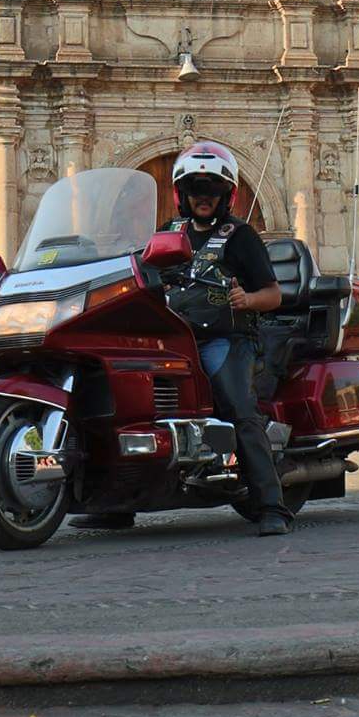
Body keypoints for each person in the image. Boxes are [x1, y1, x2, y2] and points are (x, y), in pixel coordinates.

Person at [76, 141, 290, 537]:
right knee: (124, 404)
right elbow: (140, 273)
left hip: (223, 339)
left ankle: (271, 504)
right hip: (169, 337)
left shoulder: (241, 236)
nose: (203, 198)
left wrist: (248, 299)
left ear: (227, 195)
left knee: (236, 404)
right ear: (183, 195)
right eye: (196, 190)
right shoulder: (168, 233)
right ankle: (115, 502)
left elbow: (274, 295)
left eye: (210, 191)